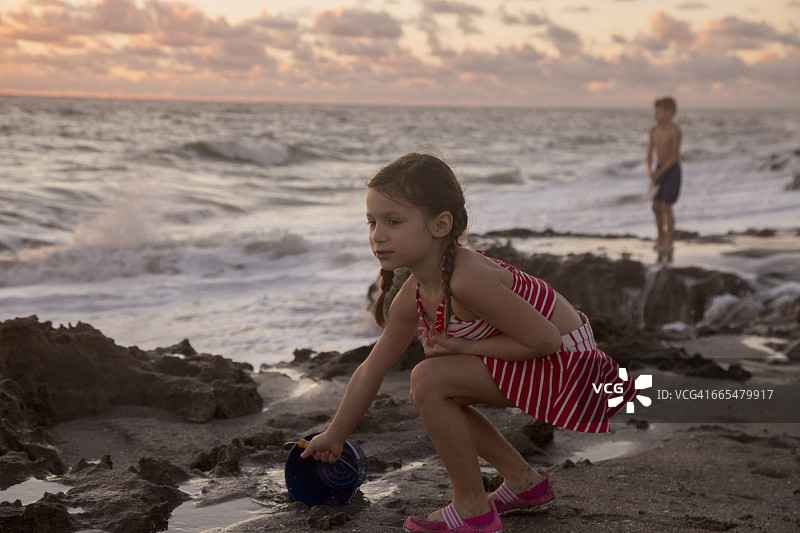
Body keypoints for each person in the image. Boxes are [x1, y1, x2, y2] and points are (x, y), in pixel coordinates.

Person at [300, 152, 638, 533]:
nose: (378, 234)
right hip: (551, 364)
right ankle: (524, 483)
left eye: (394, 221)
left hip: (574, 369)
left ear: (440, 224)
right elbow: (371, 369)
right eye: (372, 221)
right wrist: (335, 434)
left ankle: (473, 508)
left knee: (430, 380)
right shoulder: (415, 291)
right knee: (436, 385)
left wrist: (462, 348)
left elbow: (545, 341)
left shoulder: (466, 278)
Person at [646, 96, 683, 263]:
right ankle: (660, 237)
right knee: (655, 206)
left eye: (659, 112)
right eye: (655, 112)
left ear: (670, 113)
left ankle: (669, 240)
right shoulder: (653, 131)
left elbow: (675, 156)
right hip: (658, 170)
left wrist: (660, 172)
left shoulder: (675, 131)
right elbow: (649, 154)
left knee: (667, 206)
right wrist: (650, 170)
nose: (656, 115)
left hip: (672, 171)